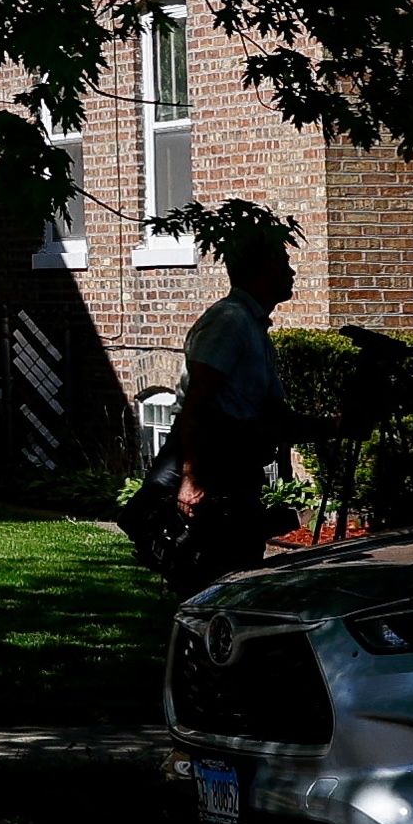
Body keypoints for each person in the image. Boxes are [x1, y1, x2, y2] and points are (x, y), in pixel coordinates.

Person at [165, 226, 298, 594]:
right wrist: (191, 480)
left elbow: (270, 416)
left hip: (239, 476)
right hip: (217, 478)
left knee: (241, 572)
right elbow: (197, 402)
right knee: (216, 579)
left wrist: (334, 427)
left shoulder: (253, 326)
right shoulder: (230, 321)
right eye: (283, 263)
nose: (291, 272)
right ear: (260, 270)